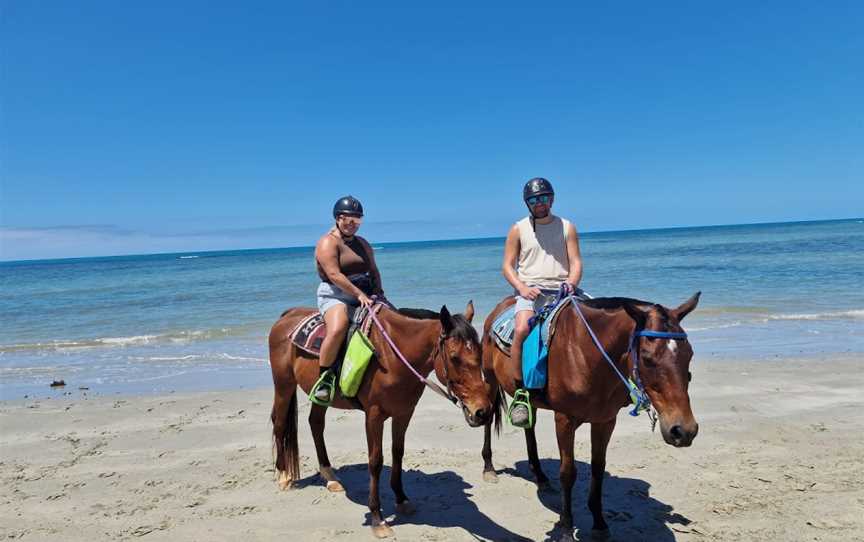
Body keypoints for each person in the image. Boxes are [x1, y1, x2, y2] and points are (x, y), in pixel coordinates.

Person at [502, 178, 583, 427]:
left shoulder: (567, 226)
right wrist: (522, 288)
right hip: (531, 292)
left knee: (595, 326)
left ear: (552, 199)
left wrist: (572, 281)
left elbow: (576, 261)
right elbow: (507, 265)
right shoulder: (518, 229)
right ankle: (520, 393)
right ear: (528, 203)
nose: (540, 203)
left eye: (544, 198)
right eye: (535, 200)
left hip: (563, 290)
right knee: (522, 330)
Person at [310, 195, 384, 406]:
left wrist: (379, 291)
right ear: (338, 218)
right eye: (347, 219)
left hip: (366, 294)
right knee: (339, 327)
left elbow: (373, 269)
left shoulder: (362, 243)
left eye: (357, 220)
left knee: (394, 322)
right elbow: (334, 275)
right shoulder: (327, 242)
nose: (352, 224)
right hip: (335, 294)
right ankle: (325, 379)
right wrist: (358, 295)